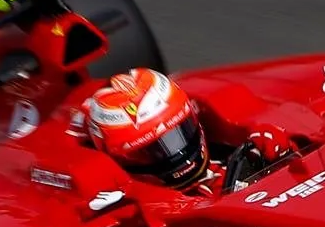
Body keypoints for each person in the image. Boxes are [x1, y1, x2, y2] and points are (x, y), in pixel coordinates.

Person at [82, 68, 292, 195]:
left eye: (178, 133)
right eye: (151, 151)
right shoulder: (129, 207)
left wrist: (285, 151)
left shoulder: (222, 167)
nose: (175, 153)